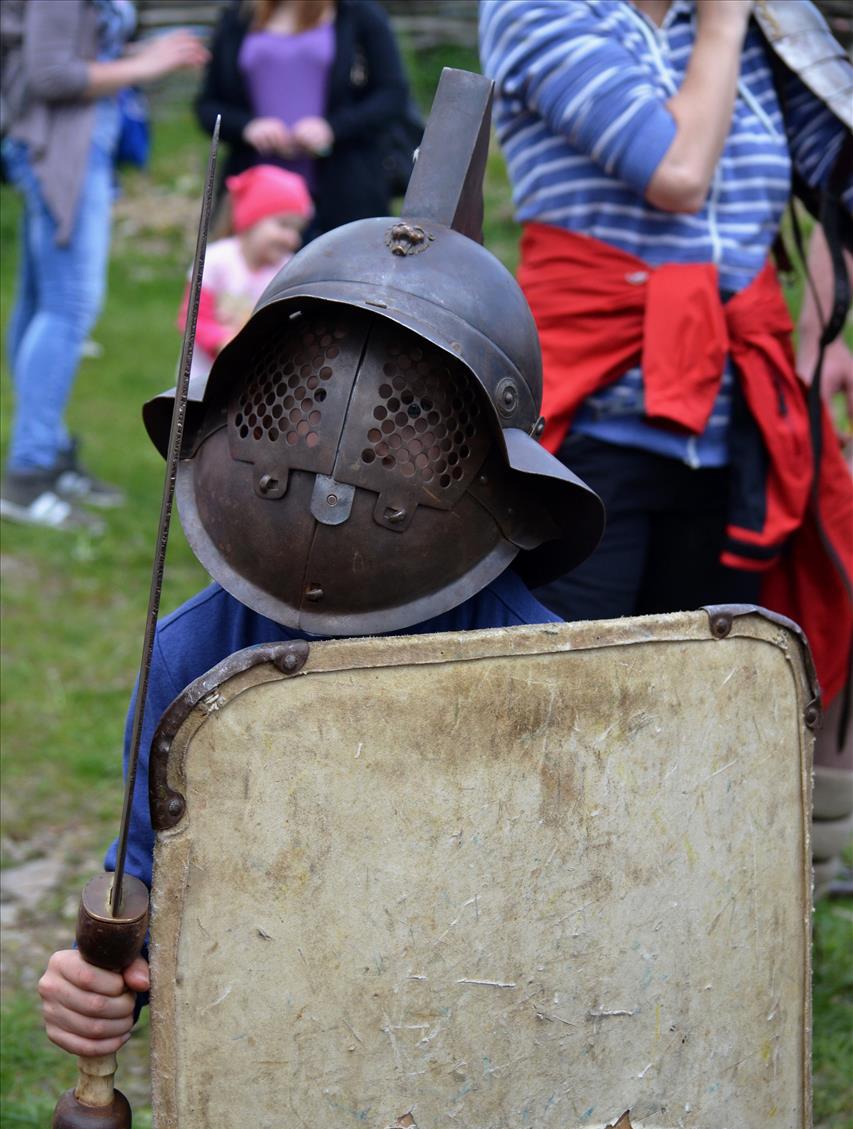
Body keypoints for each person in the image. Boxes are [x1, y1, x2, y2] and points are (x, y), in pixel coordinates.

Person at [36, 69, 605, 1060]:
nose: (343, 451)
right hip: (272, 1051)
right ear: (249, 405)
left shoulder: (539, 674)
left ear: (487, 459)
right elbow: (147, 877)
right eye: (308, 398)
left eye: (409, 417)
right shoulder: (192, 657)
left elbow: (581, 930)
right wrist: (101, 982)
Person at [479, 0, 853, 708]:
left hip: (733, 427)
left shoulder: (768, 23)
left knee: (706, 702)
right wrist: (723, 24)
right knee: (570, 702)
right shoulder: (541, 10)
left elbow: (843, 175)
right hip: (587, 424)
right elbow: (676, 171)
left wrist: (821, 330)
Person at [0, 0, 208, 532]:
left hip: (75, 143)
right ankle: (28, 473)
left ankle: (46, 450)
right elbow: (51, 73)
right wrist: (146, 66)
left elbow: (78, 47)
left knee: (42, 303)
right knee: (69, 307)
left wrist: (143, 51)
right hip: (60, 149)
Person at [195, 0, 408, 238]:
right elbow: (208, 106)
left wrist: (332, 128)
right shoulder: (239, 17)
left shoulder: (357, 15)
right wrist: (248, 127)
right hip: (258, 196)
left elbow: (392, 96)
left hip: (345, 190)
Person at [177, 164, 313, 382]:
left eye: (298, 229)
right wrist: (222, 342)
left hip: (259, 379)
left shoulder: (288, 272)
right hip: (203, 379)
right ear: (251, 221)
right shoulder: (215, 261)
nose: (292, 238)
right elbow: (192, 318)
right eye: (284, 225)